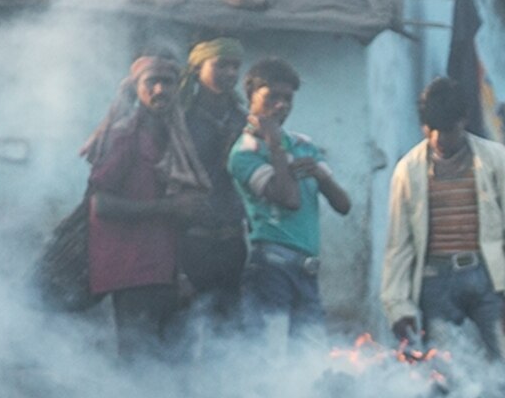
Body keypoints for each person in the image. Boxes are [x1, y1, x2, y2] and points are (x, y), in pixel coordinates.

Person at [379, 76, 505, 364]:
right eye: (430, 129)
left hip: (487, 277)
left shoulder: (496, 159)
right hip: (434, 281)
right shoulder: (407, 170)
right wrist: (397, 306)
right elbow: (398, 246)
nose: (438, 138)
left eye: (447, 130)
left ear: (463, 121)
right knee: (445, 372)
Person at [82, 54, 204, 357]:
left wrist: (181, 274)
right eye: (152, 82)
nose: (161, 90)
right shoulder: (124, 136)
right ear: (136, 88)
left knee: (174, 367)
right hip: (131, 270)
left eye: (168, 82)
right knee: (138, 366)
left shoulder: (176, 139)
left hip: (165, 271)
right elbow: (101, 204)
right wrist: (168, 208)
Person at [228, 57, 355, 343]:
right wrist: (274, 146)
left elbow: (343, 205)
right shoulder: (244, 153)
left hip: (307, 270)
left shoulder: (302, 144)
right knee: (270, 358)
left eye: (287, 98)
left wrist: (320, 176)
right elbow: (289, 200)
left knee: (308, 358)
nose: (281, 105)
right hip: (271, 268)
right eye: (272, 97)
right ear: (251, 97)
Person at [176, 38, 250, 330]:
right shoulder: (181, 120)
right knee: (182, 328)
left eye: (235, 66)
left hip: (232, 240)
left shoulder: (243, 120)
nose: (231, 73)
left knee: (229, 330)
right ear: (197, 69)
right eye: (221, 65)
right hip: (191, 240)